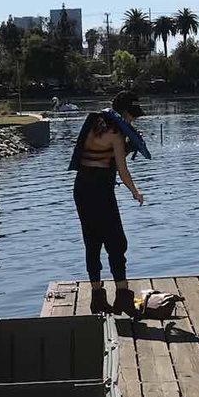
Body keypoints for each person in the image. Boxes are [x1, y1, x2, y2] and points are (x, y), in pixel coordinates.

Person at [68, 91, 152, 316]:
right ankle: (123, 297)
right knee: (116, 241)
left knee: (92, 241)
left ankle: (97, 298)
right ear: (124, 112)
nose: (132, 120)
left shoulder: (94, 123)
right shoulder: (116, 133)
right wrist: (136, 192)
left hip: (81, 188)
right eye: (132, 115)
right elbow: (122, 171)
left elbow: (97, 154)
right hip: (100, 191)